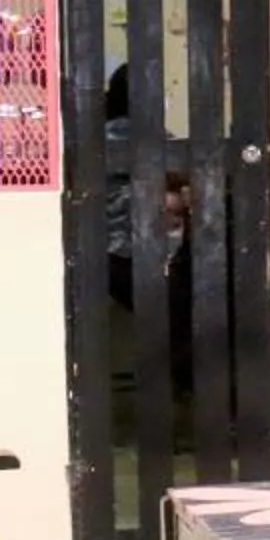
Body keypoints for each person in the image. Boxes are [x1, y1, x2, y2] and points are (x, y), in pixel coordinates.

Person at [104, 63, 194, 386]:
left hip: (108, 260)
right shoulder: (146, 135)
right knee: (191, 306)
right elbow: (181, 180)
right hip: (136, 259)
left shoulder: (103, 132)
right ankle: (181, 384)